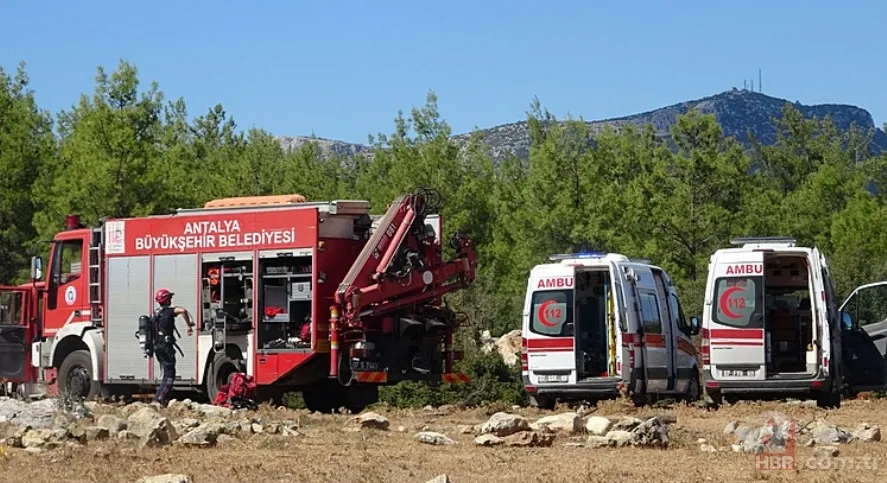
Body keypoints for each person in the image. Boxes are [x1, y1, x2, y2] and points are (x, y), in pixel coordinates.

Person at [152, 288, 195, 405]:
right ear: (166, 299)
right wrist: (189, 326)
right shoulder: (169, 312)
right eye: (170, 298)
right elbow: (183, 310)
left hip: (157, 346)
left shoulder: (156, 313)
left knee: (166, 373)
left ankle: (158, 399)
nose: (171, 300)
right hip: (166, 347)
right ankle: (160, 399)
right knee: (169, 374)